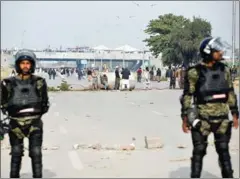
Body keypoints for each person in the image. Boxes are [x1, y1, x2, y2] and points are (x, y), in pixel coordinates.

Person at [180, 37, 239, 178]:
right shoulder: (194, 72)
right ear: (208, 52)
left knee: (224, 152)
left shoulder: (225, 70)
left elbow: (230, 92)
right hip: (202, 120)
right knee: (199, 152)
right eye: (217, 50)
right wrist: (185, 118)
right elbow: (188, 95)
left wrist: (235, 113)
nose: (221, 52)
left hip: (222, 120)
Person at [0, 49, 50, 178]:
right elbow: (3, 104)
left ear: (32, 65)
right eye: (23, 63)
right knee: (16, 152)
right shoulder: (7, 83)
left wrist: (34, 114)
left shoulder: (40, 82)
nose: (25, 66)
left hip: (35, 122)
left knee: (36, 152)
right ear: (18, 65)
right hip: (15, 123)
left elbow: (45, 103)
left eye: (28, 63)